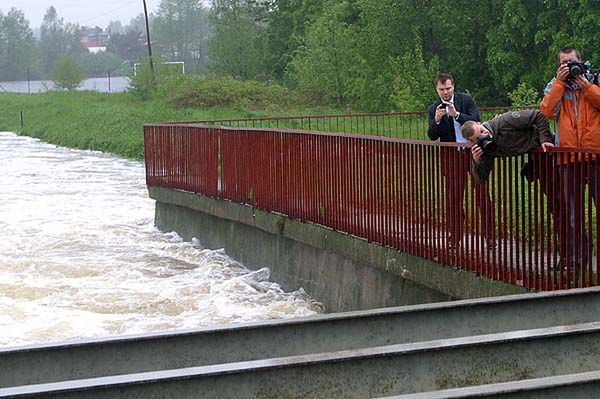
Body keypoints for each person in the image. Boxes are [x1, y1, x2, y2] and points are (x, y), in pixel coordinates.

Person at [539, 46, 600, 274]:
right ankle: (579, 259)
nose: (569, 67)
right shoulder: (555, 85)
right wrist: (558, 82)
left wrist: (587, 87)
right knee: (573, 213)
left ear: (581, 61)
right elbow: (546, 111)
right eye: (564, 63)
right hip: (568, 157)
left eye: (572, 62)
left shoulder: (595, 80)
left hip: (595, 156)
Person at [427, 72, 494, 248]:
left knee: (482, 194)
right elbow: (432, 136)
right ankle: (455, 237)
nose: (445, 92)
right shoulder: (434, 108)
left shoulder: (465, 100)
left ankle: (490, 236)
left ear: (453, 86)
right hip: (452, 156)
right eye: (442, 89)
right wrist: (437, 120)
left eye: (448, 88)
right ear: (437, 89)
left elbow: (476, 120)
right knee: (453, 199)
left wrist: (456, 115)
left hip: (472, 152)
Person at [461, 110, 555, 182]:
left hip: (549, 148)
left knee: (559, 187)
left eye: (481, 130)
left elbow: (538, 115)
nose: (485, 135)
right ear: (473, 142)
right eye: (479, 137)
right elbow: (481, 179)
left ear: (479, 123)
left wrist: (545, 140)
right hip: (537, 156)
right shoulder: (485, 147)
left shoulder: (505, 121)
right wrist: (477, 162)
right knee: (551, 191)